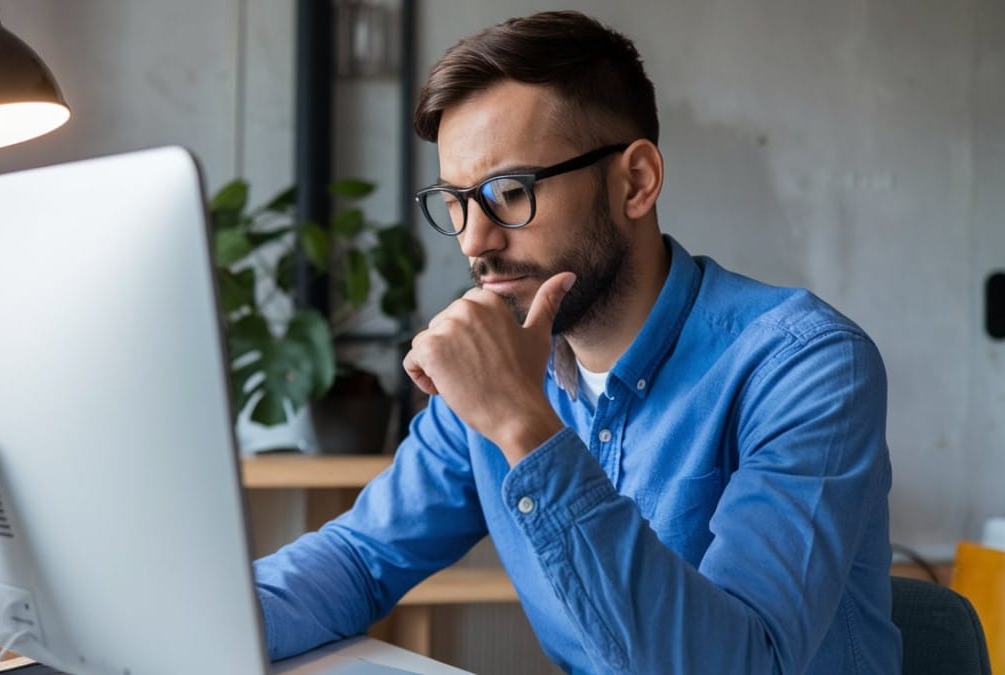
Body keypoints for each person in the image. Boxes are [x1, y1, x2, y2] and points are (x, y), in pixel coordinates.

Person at [254, 10, 900, 674]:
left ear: (636, 182)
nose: (475, 239)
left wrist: (523, 426)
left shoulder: (806, 366)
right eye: (455, 200)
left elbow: (742, 664)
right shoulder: (502, 368)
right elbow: (359, 560)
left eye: (510, 190)